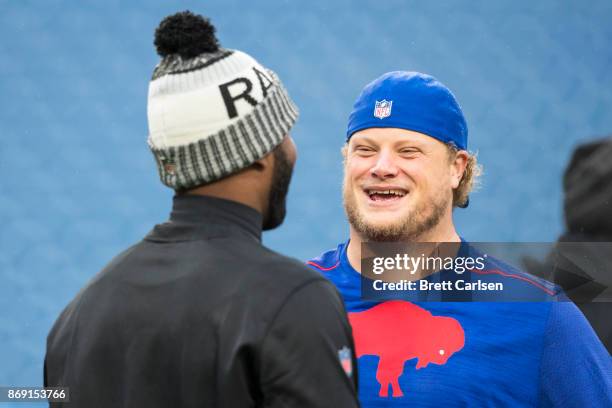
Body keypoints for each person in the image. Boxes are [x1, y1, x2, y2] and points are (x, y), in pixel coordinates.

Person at [44, 11, 359, 408]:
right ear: (259, 154)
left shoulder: (76, 319)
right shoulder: (293, 302)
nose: (293, 149)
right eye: (284, 133)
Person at [307, 71, 611, 406]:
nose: (381, 167)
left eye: (408, 151)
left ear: (457, 168)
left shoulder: (538, 316)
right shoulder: (289, 301)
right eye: (364, 150)